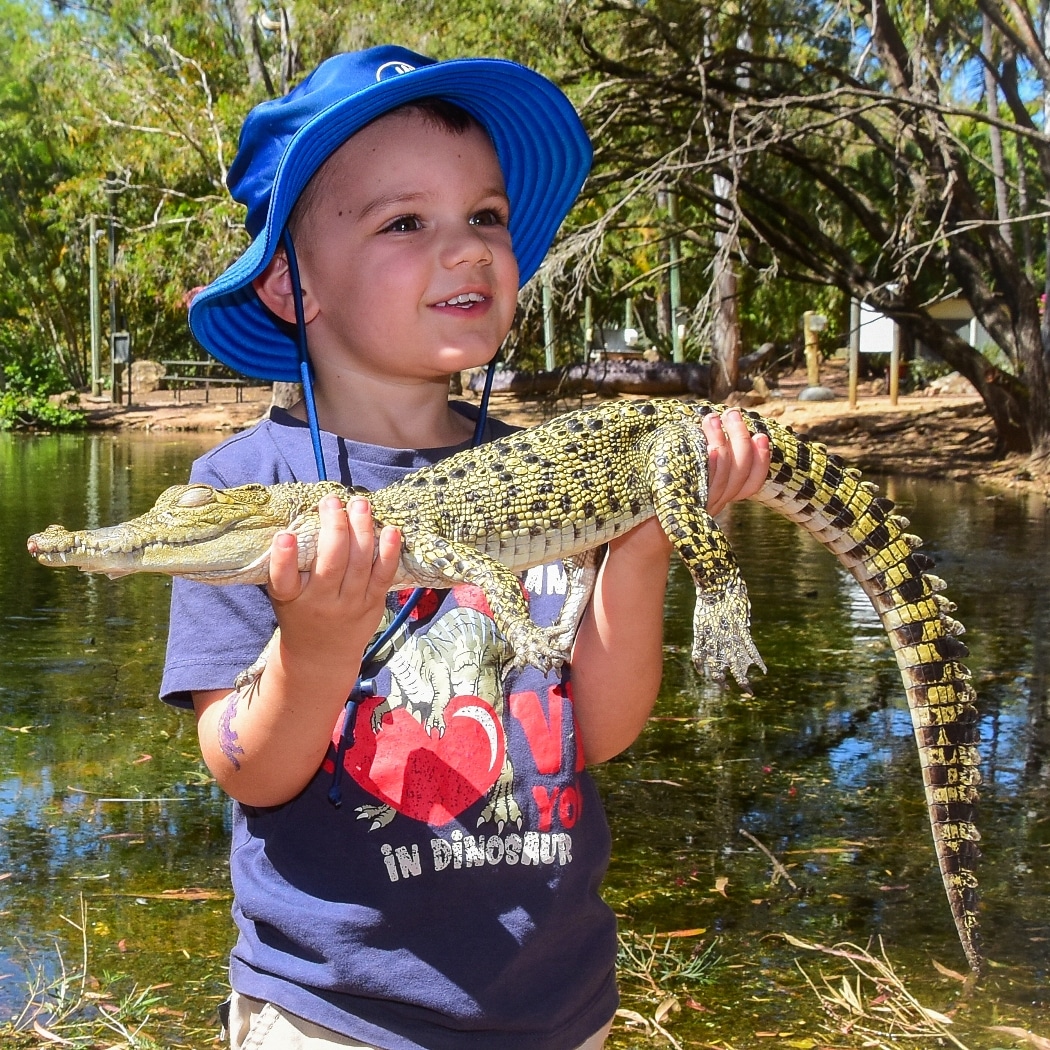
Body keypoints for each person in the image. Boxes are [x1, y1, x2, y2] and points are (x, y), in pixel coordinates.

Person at [161, 45, 770, 1050]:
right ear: (288, 284)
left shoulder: (551, 470)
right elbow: (250, 771)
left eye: (486, 217)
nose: (470, 249)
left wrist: (655, 535)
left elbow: (595, 729)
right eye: (407, 222)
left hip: (559, 1003)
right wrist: (317, 645)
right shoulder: (237, 496)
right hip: (333, 1016)